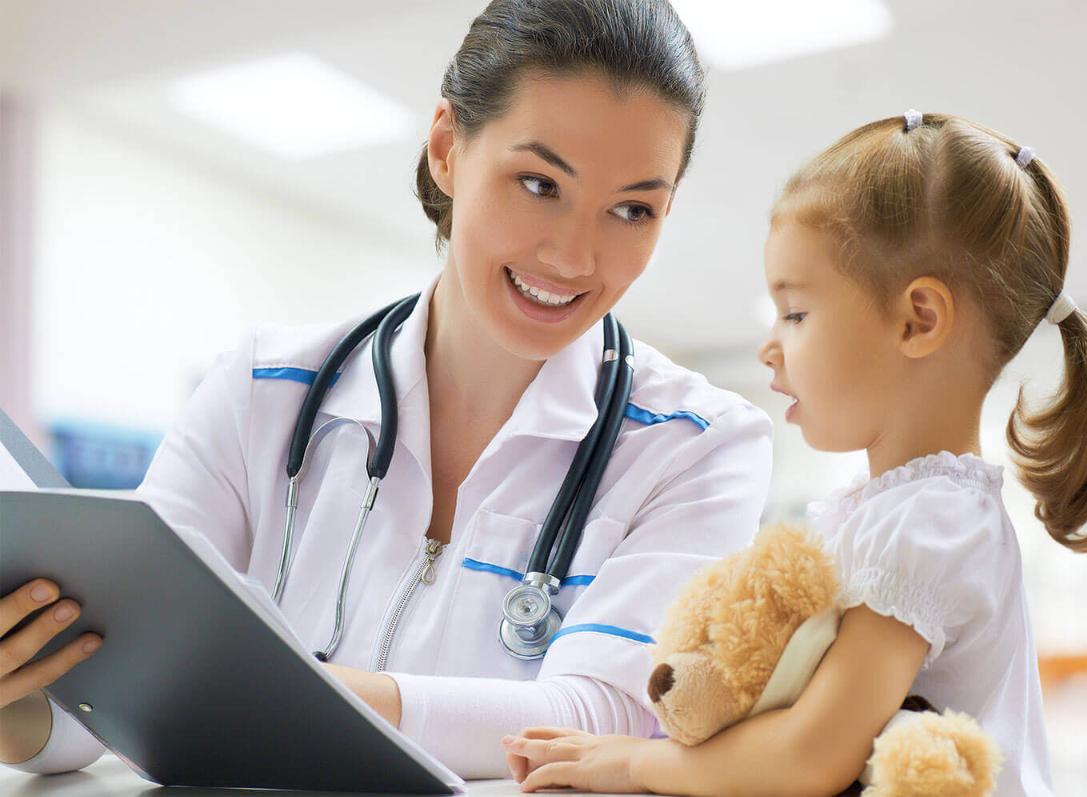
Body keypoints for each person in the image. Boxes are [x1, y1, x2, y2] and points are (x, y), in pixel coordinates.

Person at [0, 0, 773, 779]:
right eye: (539, 183)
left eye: (633, 209)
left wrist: (257, 690)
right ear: (447, 147)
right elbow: (104, 697)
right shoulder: (261, 389)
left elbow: (599, 718)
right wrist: (15, 690)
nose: (574, 256)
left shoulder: (699, 445)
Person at [502, 111, 1087, 796]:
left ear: (917, 320)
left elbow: (811, 753)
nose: (769, 346)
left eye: (797, 313)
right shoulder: (900, 509)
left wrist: (628, 761)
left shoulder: (930, 521)